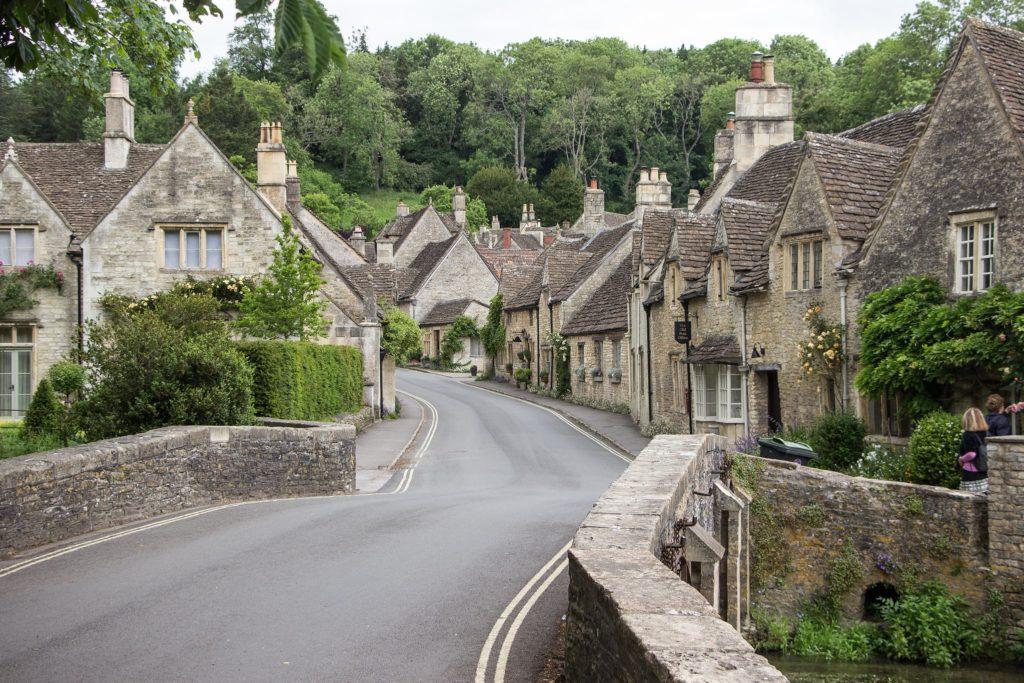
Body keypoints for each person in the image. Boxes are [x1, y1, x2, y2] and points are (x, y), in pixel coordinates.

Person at [958, 407, 989, 494]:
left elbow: (972, 454)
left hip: (971, 472)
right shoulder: (985, 433)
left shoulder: (967, 435)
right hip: (984, 471)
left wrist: (961, 459)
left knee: (968, 502)